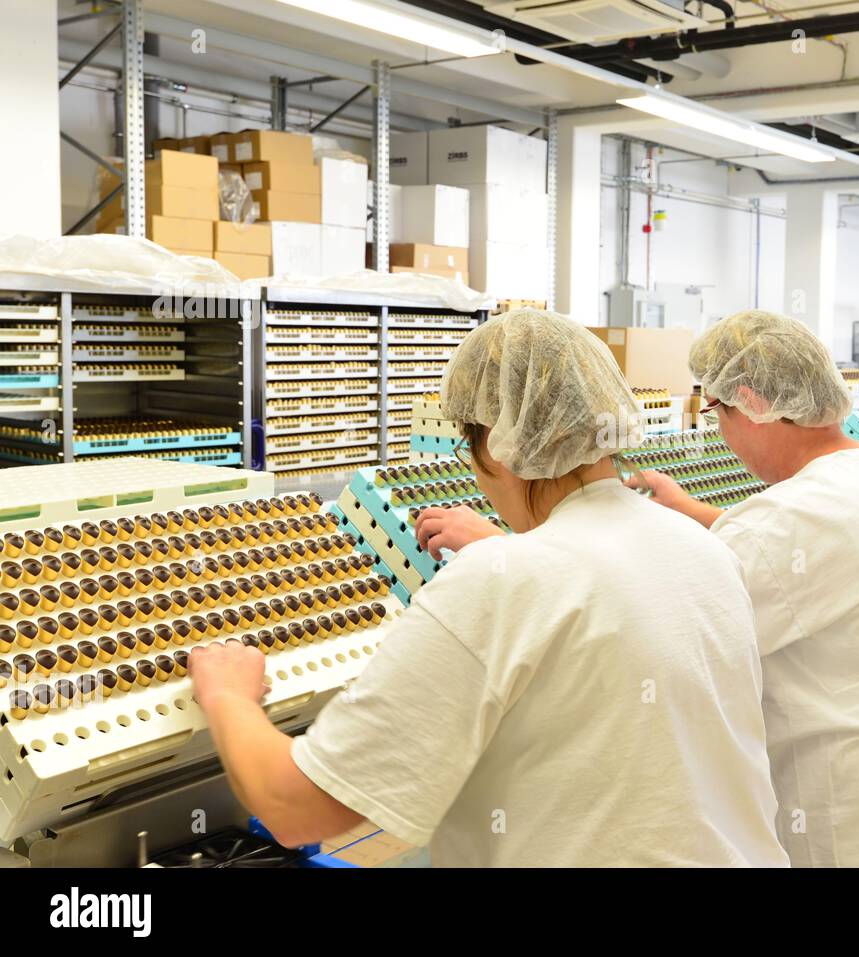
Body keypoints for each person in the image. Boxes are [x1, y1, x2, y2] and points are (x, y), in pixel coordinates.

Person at [190, 309, 789, 867]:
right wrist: (507, 552)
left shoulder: (499, 583)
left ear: (498, 448)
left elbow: (297, 808)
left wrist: (228, 695)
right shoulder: (701, 547)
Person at [632, 309, 859, 867]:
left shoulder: (793, 520)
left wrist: (498, 551)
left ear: (751, 402)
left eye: (717, 412)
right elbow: (797, 554)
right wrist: (691, 510)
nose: (720, 433)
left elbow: (655, 635)